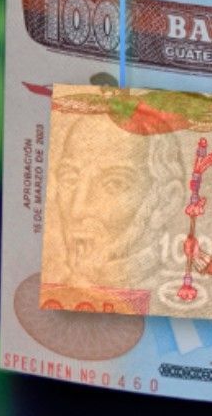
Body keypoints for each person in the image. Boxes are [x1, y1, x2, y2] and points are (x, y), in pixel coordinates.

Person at [45, 114, 185, 289]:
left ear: (166, 203)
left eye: (114, 183)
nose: (77, 210)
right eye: (70, 179)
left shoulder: (174, 292)